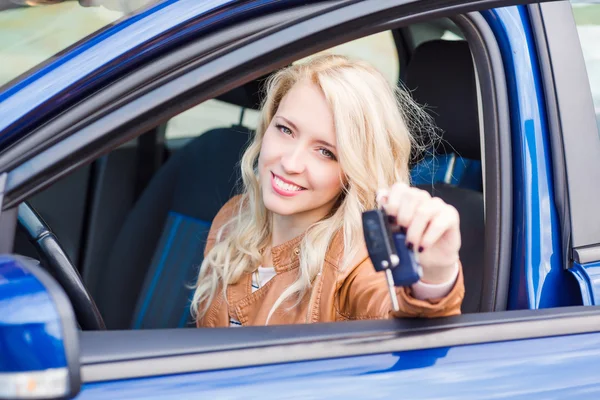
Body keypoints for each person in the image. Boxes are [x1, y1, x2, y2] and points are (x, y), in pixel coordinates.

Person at [191, 54, 464, 327]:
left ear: (356, 169)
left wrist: (435, 275)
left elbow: (406, 318)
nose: (290, 162)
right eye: (285, 129)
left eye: (325, 152)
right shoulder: (233, 218)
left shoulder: (357, 260)